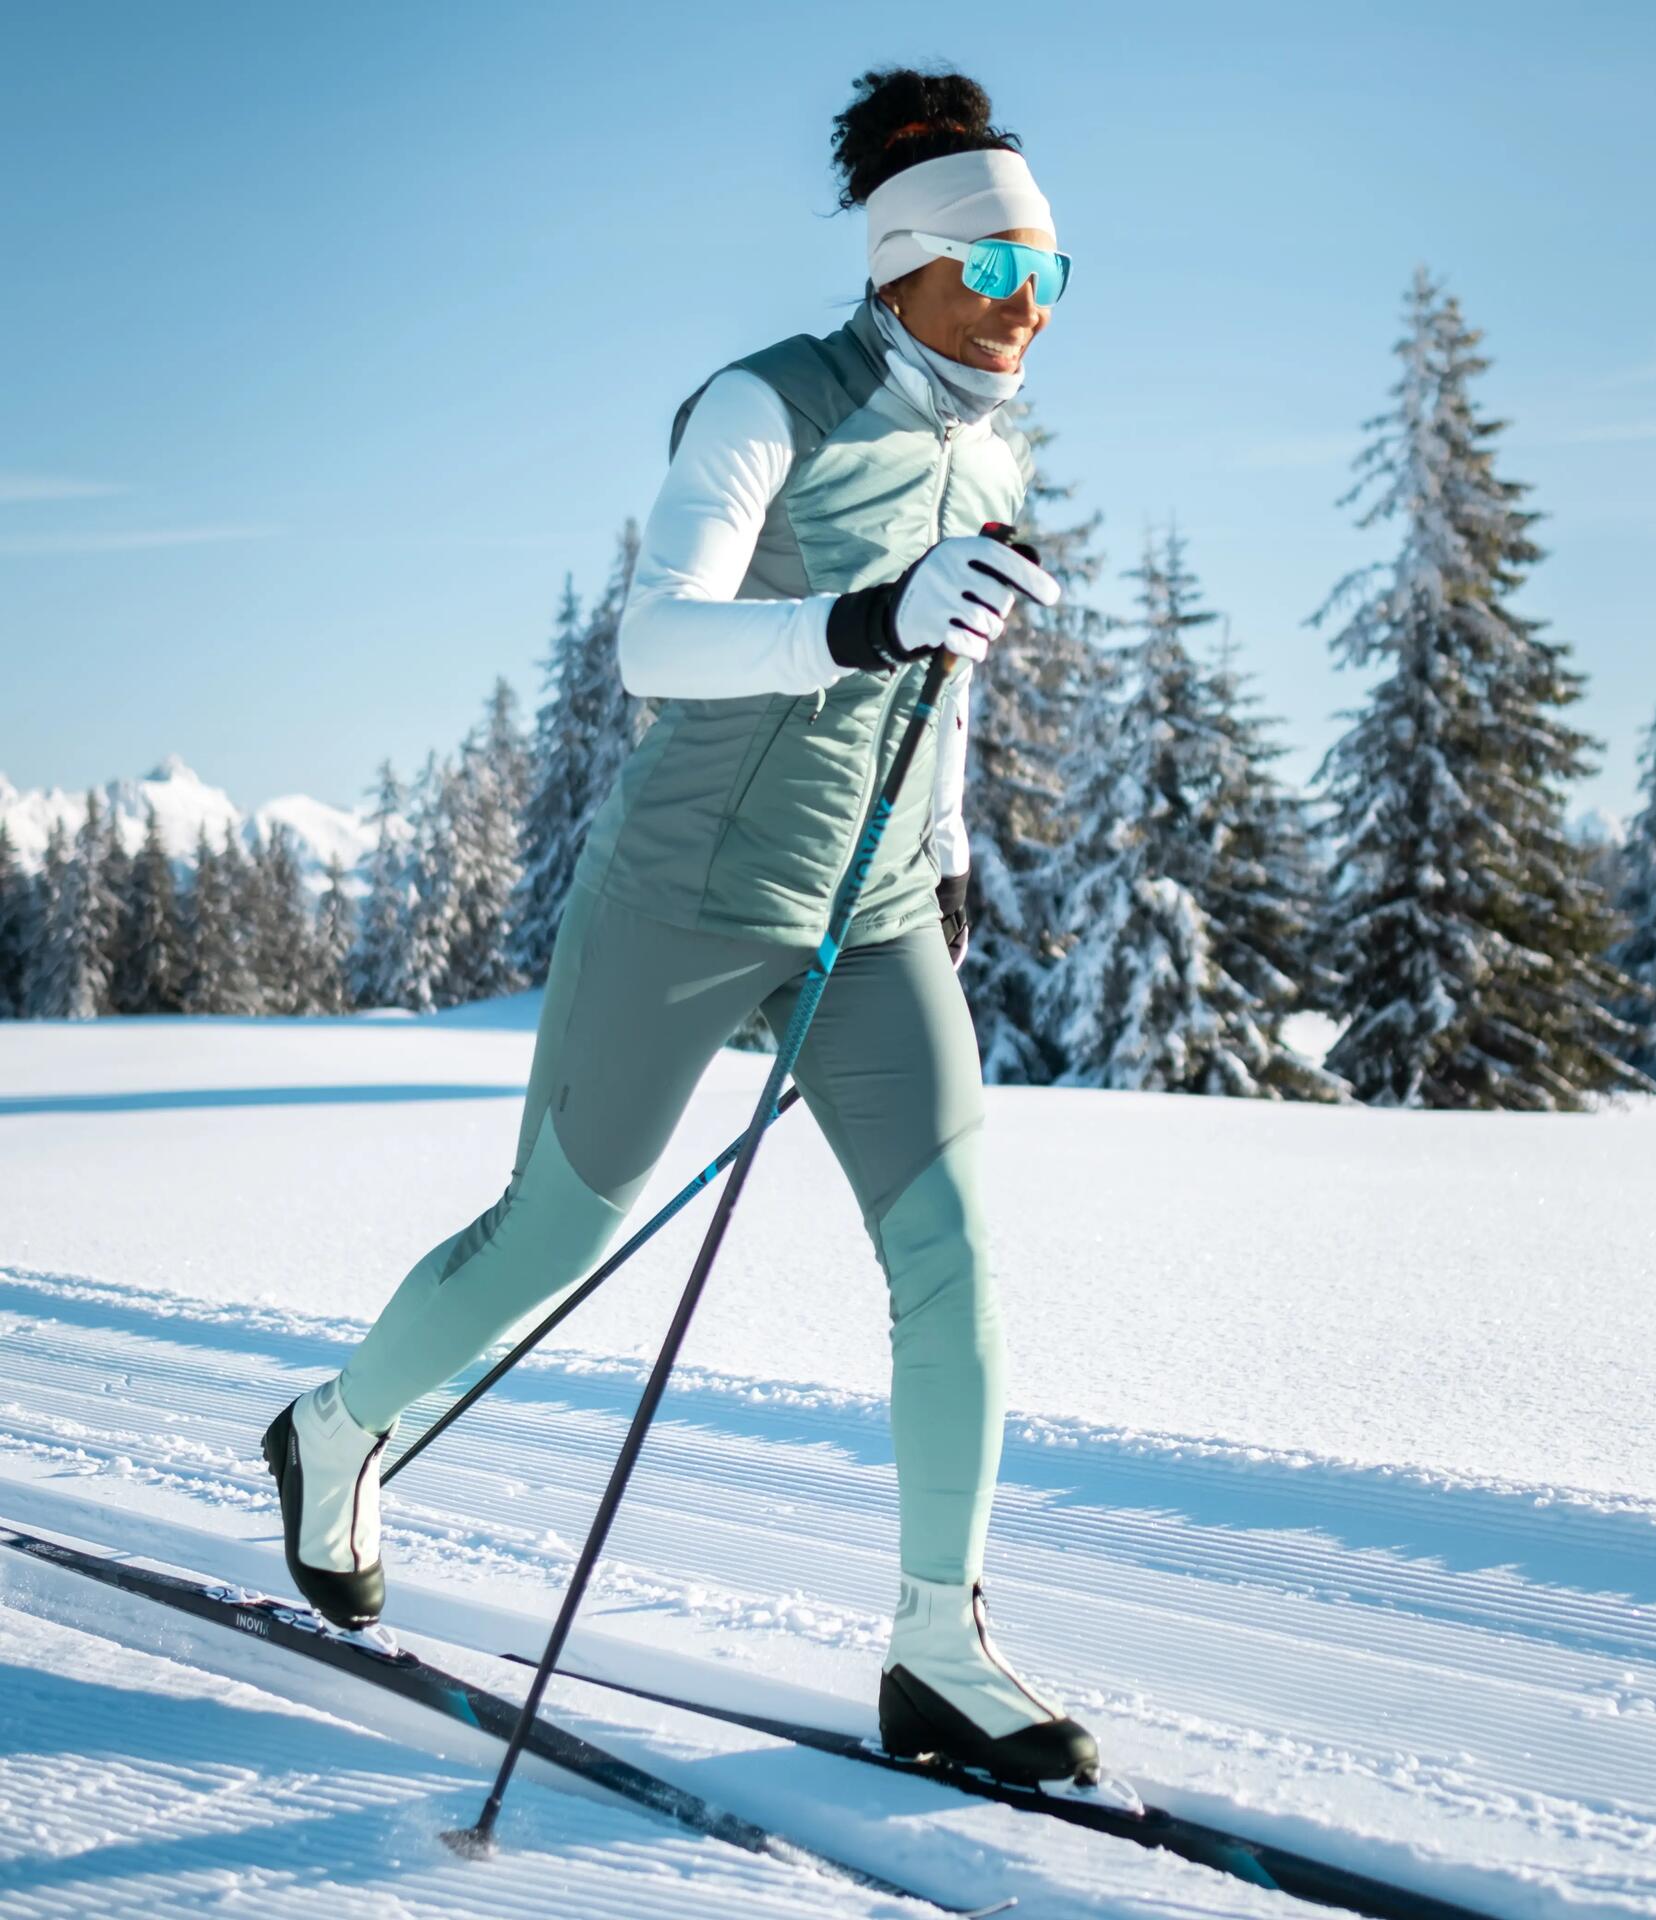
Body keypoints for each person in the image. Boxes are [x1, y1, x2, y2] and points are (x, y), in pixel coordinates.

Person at [261, 67, 1098, 1785]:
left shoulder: (992, 444)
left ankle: (939, 1648)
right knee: (546, 1240)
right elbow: (658, 642)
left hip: (870, 918)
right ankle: (334, 1434)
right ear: (902, 265)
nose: (1027, 311)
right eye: (997, 272)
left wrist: (938, 844)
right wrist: (858, 615)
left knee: (951, 1266)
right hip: (687, 902)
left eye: (1051, 277)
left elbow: (942, 685)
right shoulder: (762, 404)